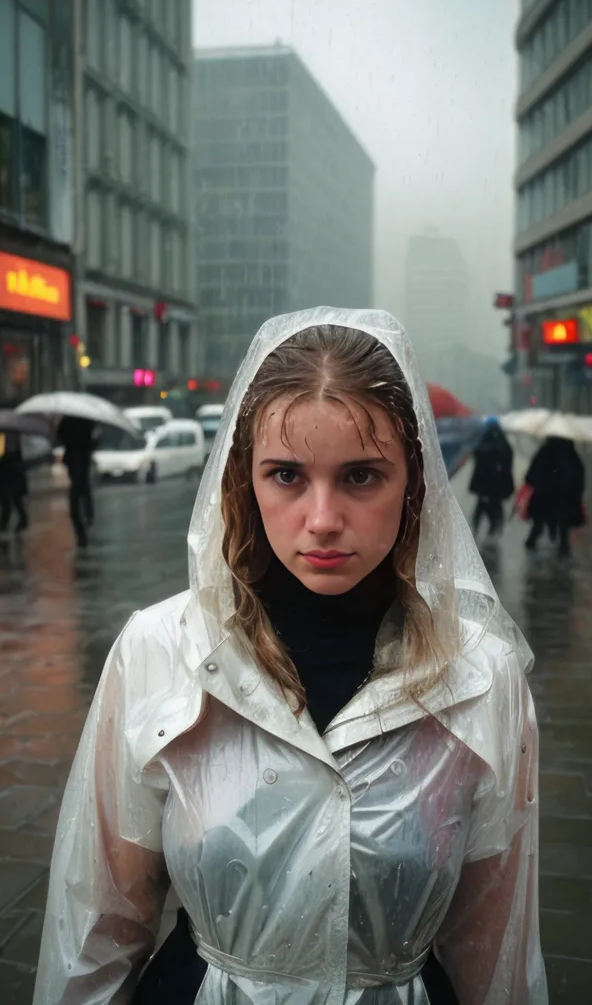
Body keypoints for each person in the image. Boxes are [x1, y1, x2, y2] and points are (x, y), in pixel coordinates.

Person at [34, 308, 547, 1005]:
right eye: (286, 475)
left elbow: (497, 950)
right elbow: (97, 932)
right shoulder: (161, 653)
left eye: (362, 476)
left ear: (415, 483)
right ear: (244, 479)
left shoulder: (481, 677)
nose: (324, 518)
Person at [524, 435, 585, 558]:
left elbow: (531, 475)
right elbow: (580, 479)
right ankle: (563, 551)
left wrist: (540, 483)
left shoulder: (544, 452)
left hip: (544, 496)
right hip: (564, 498)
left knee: (539, 523)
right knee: (563, 527)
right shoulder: (572, 455)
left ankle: (531, 545)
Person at [469, 418, 514, 537]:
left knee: (481, 507)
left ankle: (476, 529)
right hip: (497, 484)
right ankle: (494, 529)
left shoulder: (484, 440)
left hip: (483, 483)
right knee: (495, 507)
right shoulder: (502, 442)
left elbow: (477, 456)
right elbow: (508, 461)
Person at [57, 415, 96, 547]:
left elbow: (60, 435)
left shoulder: (67, 420)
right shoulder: (87, 419)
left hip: (74, 456)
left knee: (77, 488)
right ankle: (87, 515)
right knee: (83, 485)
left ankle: (80, 518)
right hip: (82, 456)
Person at [0, 437, 28, 536]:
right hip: (7, 479)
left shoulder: (12, 439)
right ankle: (7, 526)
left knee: (14, 504)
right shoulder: (2, 438)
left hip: (10, 478)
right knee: (9, 505)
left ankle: (12, 525)